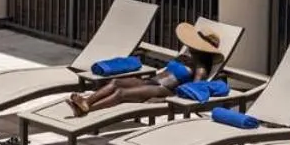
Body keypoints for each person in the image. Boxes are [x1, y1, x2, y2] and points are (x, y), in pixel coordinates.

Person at [67, 22, 226, 117]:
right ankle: (86, 102)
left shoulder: (201, 67)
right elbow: (166, 70)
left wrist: (165, 100)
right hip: (151, 81)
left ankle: (86, 109)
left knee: (121, 94)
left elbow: (193, 90)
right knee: (115, 82)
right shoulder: (186, 56)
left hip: (162, 90)